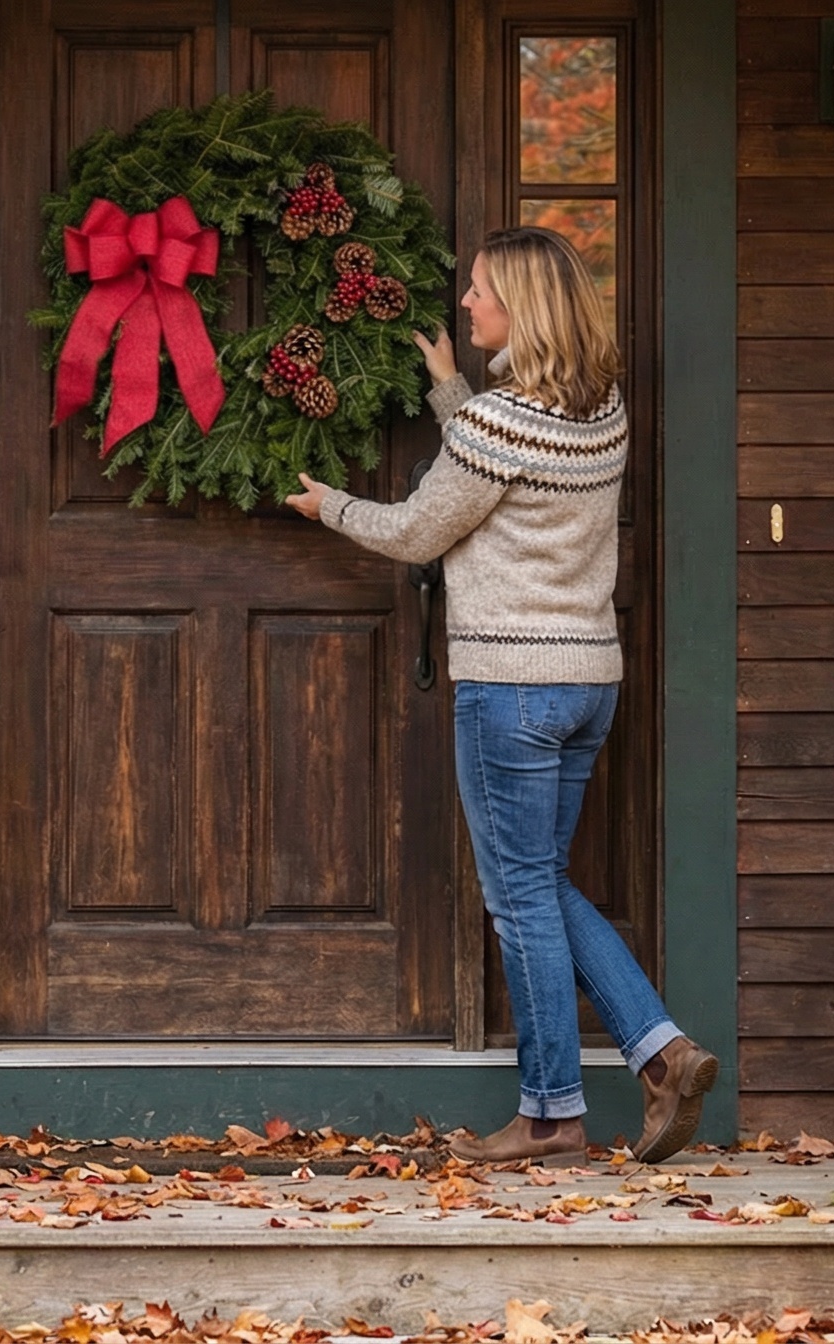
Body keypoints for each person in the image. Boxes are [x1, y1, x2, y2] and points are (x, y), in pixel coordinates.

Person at [284, 226, 719, 1165]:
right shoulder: (601, 412)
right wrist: (451, 388)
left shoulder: (497, 425)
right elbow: (501, 468)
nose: (467, 303)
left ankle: (552, 1114)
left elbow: (416, 529)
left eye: (479, 290)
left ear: (521, 305)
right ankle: (661, 1052)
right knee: (542, 882)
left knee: (518, 894)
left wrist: (332, 509)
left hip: (511, 688)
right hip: (586, 683)